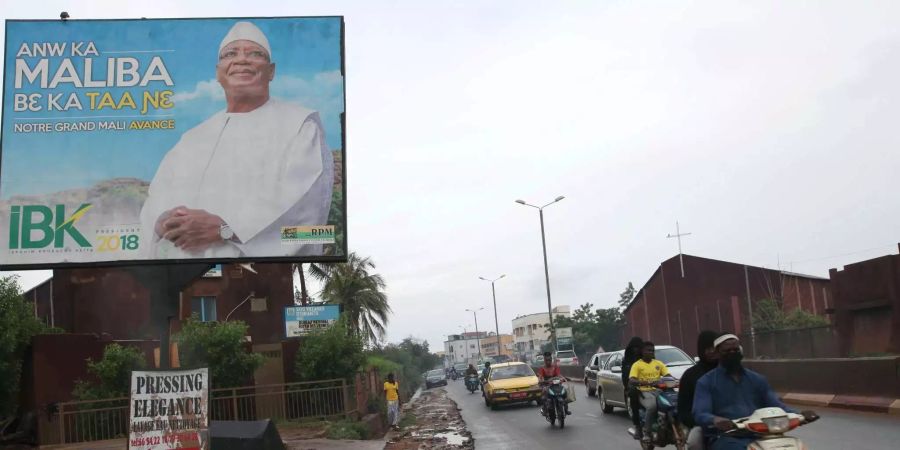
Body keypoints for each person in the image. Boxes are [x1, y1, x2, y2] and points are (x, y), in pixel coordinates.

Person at [140, 21, 334, 259]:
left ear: (271, 71)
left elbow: (310, 225)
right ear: (218, 72)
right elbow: (155, 203)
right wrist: (161, 222)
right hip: (178, 279)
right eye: (230, 54)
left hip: (259, 278)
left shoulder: (300, 125)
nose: (241, 60)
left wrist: (225, 231)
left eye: (255, 53)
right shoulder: (191, 139)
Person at [692, 335, 819, 450]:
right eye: (727, 351)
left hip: (763, 435)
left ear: (740, 352)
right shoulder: (706, 382)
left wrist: (799, 414)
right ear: (718, 354)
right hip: (728, 438)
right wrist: (715, 420)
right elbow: (700, 413)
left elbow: (777, 405)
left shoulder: (757, 379)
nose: (732, 353)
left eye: (735, 350)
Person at [678, 331, 721, 450]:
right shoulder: (690, 375)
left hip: (733, 423)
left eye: (714, 347)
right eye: (707, 348)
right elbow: (683, 410)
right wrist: (701, 421)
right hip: (702, 425)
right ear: (701, 350)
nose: (712, 351)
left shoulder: (729, 370)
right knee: (694, 443)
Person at [629, 341, 670, 442]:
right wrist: (646, 382)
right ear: (642, 351)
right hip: (644, 392)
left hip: (659, 391)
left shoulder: (658, 363)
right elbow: (632, 379)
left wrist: (671, 380)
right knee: (652, 407)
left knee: (670, 405)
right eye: (648, 350)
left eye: (652, 350)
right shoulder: (637, 365)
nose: (651, 352)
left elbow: (668, 376)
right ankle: (647, 432)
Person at [621, 336, 644, 435]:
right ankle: (637, 426)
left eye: (638, 347)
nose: (636, 350)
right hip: (635, 386)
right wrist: (627, 387)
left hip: (650, 385)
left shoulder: (647, 358)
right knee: (634, 401)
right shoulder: (627, 360)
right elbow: (625, 375)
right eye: (634, 348)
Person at [537, 351, 571, 416]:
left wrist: (563, 379)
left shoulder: (555, 367)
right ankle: (545, 409)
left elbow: (559, 375)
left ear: (551, 359)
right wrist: (542, 380)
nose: (548, 362)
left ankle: (566, 409)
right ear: (544, 360)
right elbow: (540, 377)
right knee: (544, 395)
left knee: (565, 393)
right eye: (547, 360)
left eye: (549, 360)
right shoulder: (542, 368)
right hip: (546, 384)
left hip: (555, 384)